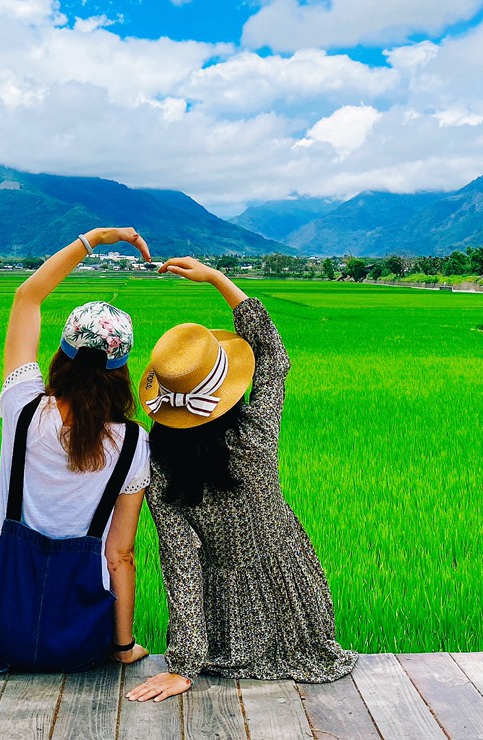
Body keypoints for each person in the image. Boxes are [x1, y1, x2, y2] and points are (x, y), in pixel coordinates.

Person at [126, 257, 357, 702]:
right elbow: (273, 355)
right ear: (225, 390)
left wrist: (184, 664)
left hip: (226, 626)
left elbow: (182, 564)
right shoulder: (256, 434)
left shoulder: (158, 465)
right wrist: (217, 279)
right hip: (297, 601)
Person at [0, 226, 155, 672]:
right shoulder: (131, 443)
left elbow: (28, 297)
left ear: (62, 353)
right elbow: (119, 556)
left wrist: (95, 239)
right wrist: (123, 649)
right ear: (121, 369)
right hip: (79, 642)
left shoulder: (22, 405)